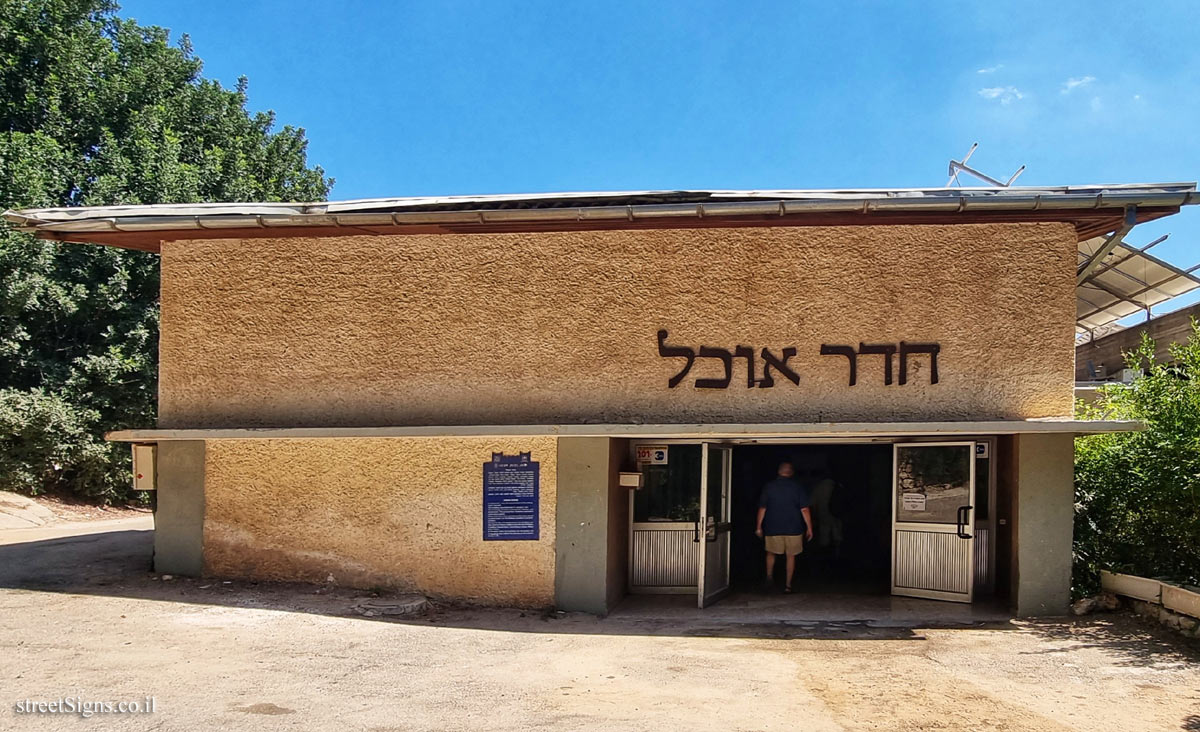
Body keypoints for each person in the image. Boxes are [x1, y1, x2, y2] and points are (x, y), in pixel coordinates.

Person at [755, 461, 813, 593]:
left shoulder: (769, 487)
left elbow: (762, 508)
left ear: (778, 472)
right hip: (794, 528)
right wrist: (809, 527)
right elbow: (805, 509)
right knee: (791, 556)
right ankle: (788, 585)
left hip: (772, 526)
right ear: (791, 472)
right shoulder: (797, 487)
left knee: (770, 553)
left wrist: (758, 526)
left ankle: (769, 577)